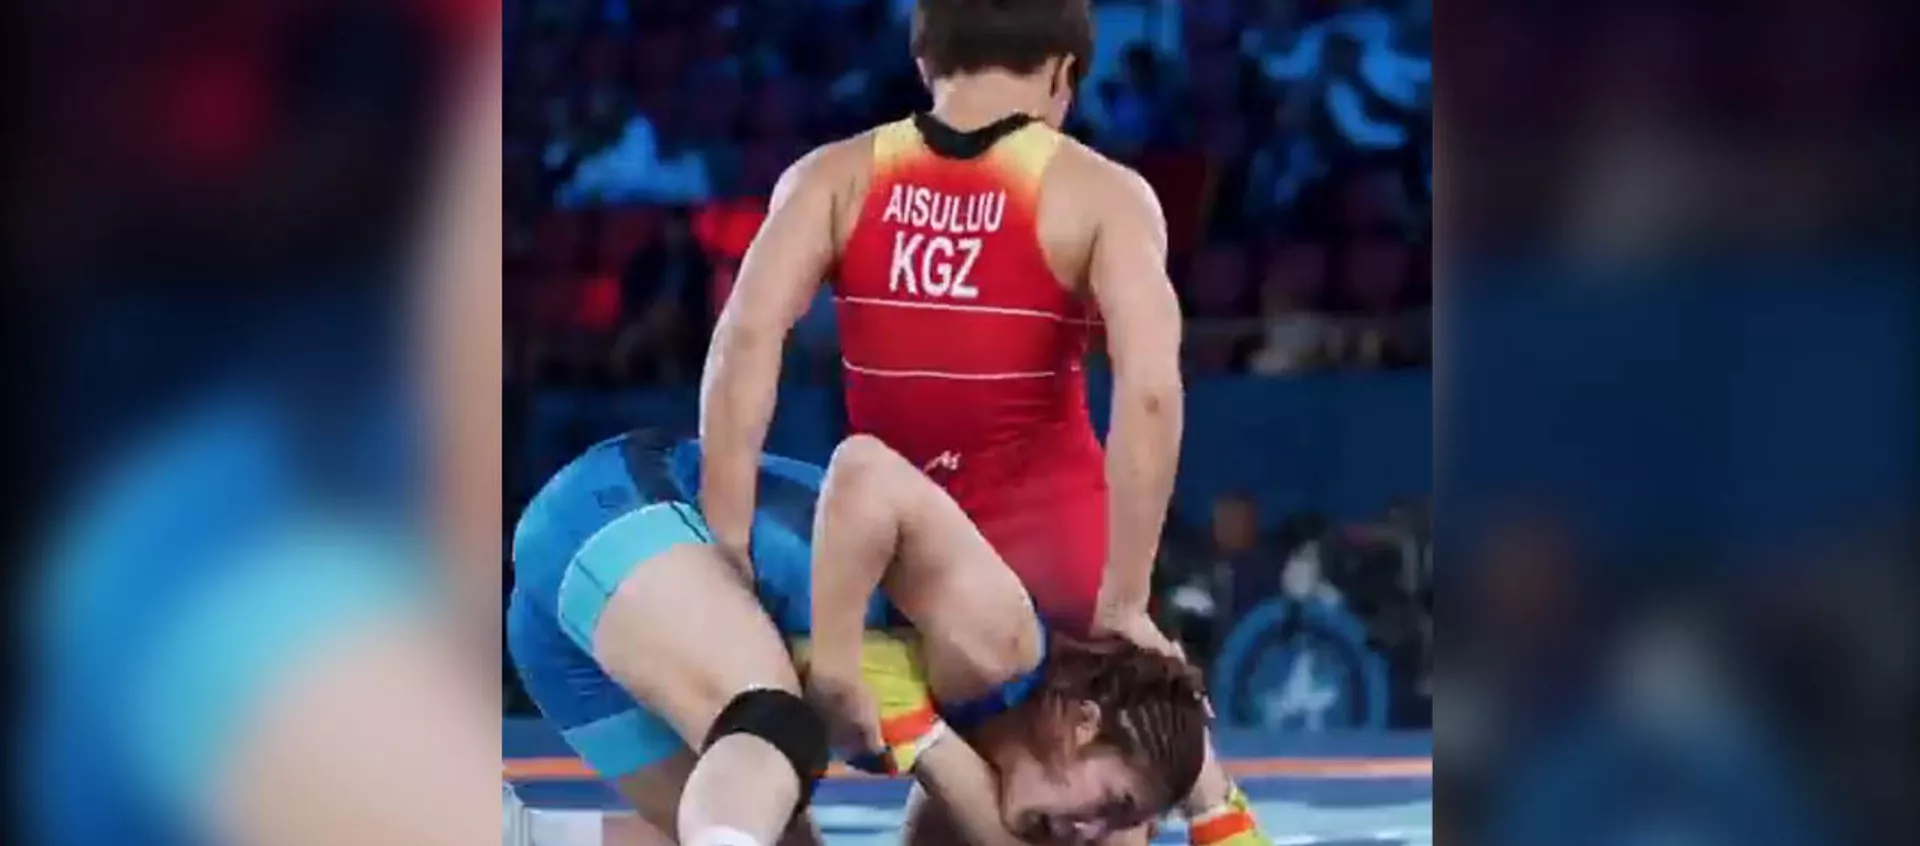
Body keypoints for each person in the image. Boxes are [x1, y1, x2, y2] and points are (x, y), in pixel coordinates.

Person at [697, 1, 1269, 843]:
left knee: (987, 785)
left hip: (899, 558)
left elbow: (745, 341)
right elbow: (1149, 391)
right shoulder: (1101, 194)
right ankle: (1218, 814)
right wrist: (1123, 600)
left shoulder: (832, 179)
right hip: (1056, 560)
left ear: (924, 62)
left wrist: (728, 537)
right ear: (1064, 73)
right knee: (1096, 781)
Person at [507, 430, 1211, 846]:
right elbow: (865, 467)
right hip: (621, 512)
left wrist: (924, 742)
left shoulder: (982, 772)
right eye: (1111, 804)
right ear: (1083, 722)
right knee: (778, 723)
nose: (1086, 830)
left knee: (758, 811)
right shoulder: (1004, 646)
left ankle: (512, 833)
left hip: (575, 628)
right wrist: (840, 667)